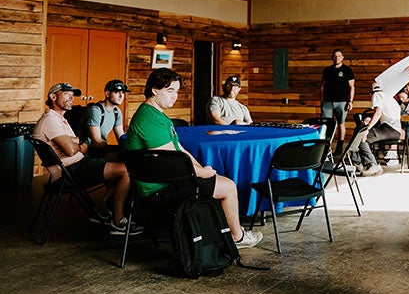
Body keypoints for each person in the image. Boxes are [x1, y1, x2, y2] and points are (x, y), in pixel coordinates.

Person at [125, 68, 262, 249]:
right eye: (170, 90)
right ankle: (237, 237)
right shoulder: (149, 118)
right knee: (228, 186)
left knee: (218, 180)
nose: (175, 96)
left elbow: (180, 149)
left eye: (177, 91)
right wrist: (201, 173)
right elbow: (171, 160)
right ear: (154, 90)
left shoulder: (157, 115)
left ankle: (218, 233)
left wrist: (201, 168)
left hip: (165, 180)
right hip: (157, 189)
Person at [32, 82, 140, 235]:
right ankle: (118, 220)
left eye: (72, 95)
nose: (71, 98)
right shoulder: (51, 120)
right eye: (66, 94)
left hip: (78, 164)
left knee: (121, 164)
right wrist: (81, 146)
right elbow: (71, 149)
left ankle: (107, 209)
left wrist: (77, 143)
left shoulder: (59, 118)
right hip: (69, 171)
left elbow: (75, 139)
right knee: (125, 170)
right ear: (53, 96)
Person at [352, 82, 403, 176]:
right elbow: (384, 114)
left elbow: (378, 112)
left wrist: (367, 128)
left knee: (362, 136)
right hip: (395, 129)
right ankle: (357, 163)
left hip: (389, 128)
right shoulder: (389, 97)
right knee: (360, 134)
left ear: (370, 93)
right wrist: (369, 119)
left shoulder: (377, 95)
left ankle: (371, 165)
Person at [321, 49, 355, 151]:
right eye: (335, 56)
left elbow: (352, 86)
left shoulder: (347, 70)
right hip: (327, 102)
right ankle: (326, 147)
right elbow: (322, 86)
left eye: (339, 56)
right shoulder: (327, 70)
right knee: (326, 124)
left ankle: (339, 147)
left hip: (342, 101)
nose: (337, 58)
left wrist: (350, 101)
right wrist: (322, 100)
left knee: (341, 123)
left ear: (342, 57)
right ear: (332, 57)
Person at [84, 79, 128, 156]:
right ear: (107, 93)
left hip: (102, 148)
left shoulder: (117, 112)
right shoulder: (96, 110)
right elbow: (96, 141)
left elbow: (121, 137)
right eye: (116, 92)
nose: (121, 96)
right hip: (87, 150)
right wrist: (113, 151)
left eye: (123, 92)